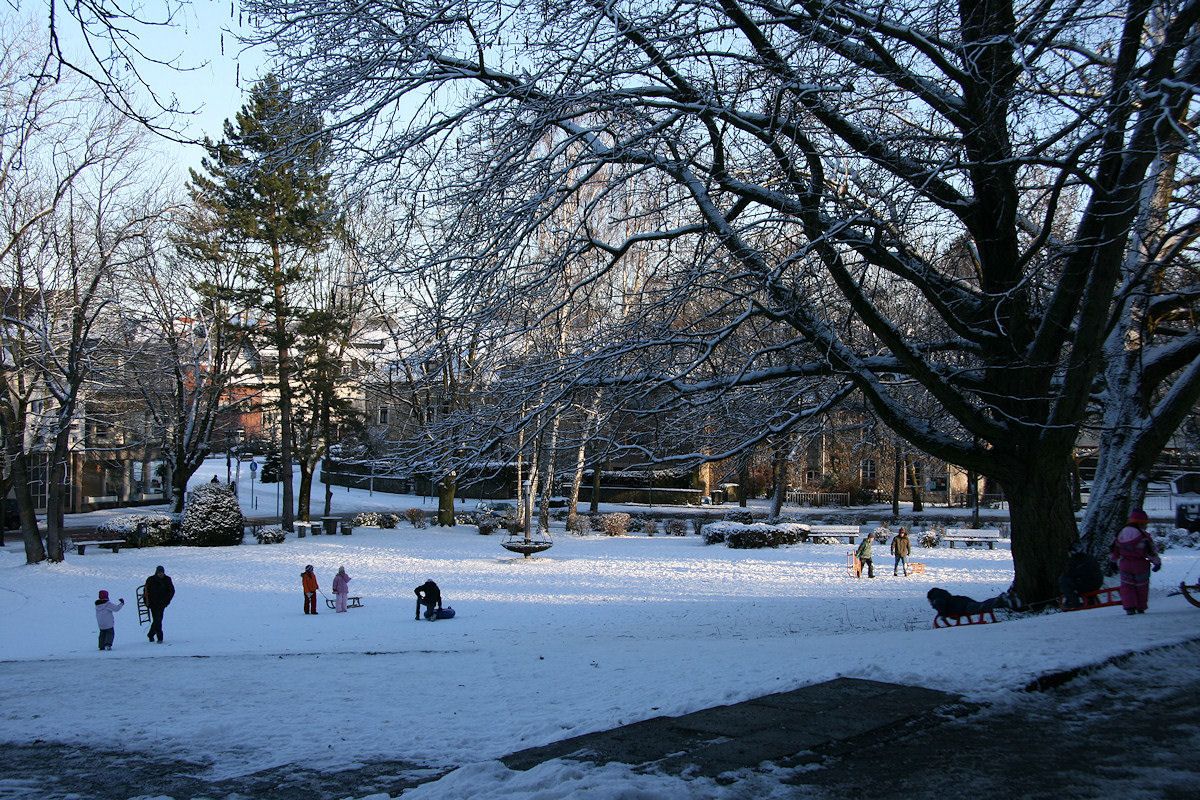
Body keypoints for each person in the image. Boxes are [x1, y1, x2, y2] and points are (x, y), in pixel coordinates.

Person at [1109, 509, 1162, 615]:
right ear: (1142, 523)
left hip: (1125, 564)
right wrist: (1157, 563)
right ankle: (1140, 606)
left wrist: (1113, 561)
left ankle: (1129, 607)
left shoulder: (1121, 533)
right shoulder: (1144, 536)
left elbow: (1115, 549)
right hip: (1140, 565)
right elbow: (1150, 552)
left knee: (1127, 586)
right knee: (1141, 587)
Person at [926, 587, 1011, 619]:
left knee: (981, 607)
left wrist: (942, 615)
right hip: (964, 602)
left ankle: (1001, 599)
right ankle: (1001, 600)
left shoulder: (937, 600)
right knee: (981, 606)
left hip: (964, 607)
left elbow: (941, 605)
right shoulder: (945, 597)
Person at [143, 565, 175, 643]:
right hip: (153, 604)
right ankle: (159, 638)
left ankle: (151, 634)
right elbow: (145, 592)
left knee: (158, 620)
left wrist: (167, 601)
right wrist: (146, 602)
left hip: (162, 604)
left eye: (162, 573)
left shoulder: (167, 579)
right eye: (159, 573)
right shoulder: (150, 579)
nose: (161, 574)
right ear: (156, 572)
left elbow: (171, 591)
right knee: (157, 620)